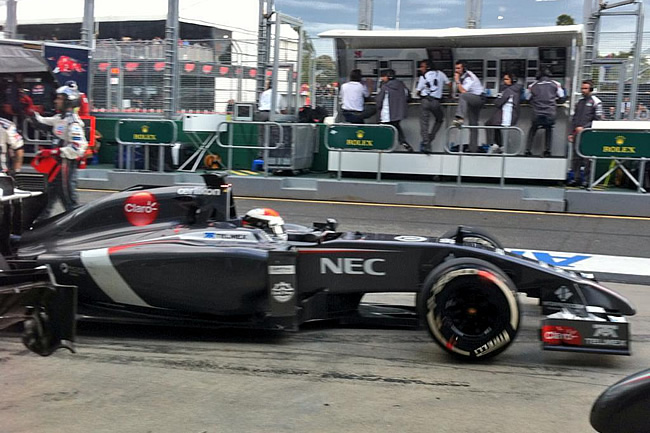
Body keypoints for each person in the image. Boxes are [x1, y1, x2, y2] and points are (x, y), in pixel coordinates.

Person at [33, 84, 88, 218]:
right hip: (56, 166)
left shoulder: (73, 123)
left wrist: (53, 152)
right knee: (47, 199)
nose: (55, 101)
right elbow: (42, 121)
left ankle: (76, 230)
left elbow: (78, 147)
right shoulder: (60, 118)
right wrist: (30, 112)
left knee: (69, 201)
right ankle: (38, 227)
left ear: (69, 101)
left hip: (66, 166)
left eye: (59, 99)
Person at [567, 80, 603, 187]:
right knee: (576, 158)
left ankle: (587, 180)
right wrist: (571, 133)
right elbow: (574, 119)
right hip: (577, 134)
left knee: (587, 159)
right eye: (582, 88)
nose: (583, 90)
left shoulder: (596, 102)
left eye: (585, 88)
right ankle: (576, 178)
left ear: (591, 89)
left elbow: (598, 120)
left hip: (588, 135)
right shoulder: (579, 102)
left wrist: (584, 128)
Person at [524, 69, 565, 157]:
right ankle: (547, 150)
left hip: (537, 113)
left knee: (533, 128)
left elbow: (526, 98)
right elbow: (562, 97)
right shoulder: (556, 84)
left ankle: (528, 150)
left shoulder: (533, 85)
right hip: (550, 113)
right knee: (548, 128)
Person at [416, 60, 450, 153]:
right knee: (439, 119)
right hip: (436, 101)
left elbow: (418, 91)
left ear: (428, 67)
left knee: (424, 124)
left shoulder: (423, 77)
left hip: (425, 101)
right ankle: (431, 137)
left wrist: (419, 94)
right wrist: (450, 94)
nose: (421, 69)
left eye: (422, 67)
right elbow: (449, 83)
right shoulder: (440, 74)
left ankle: (426, 143)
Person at [484, 72, 522, 153]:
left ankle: (493, 145)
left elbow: (498, 103)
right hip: (512, 113)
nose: (505, 81)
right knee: (494, 125)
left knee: (490, 124)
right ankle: (500, 145)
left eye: (507, 79)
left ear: (512, 80)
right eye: (504, 79)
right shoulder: (517, 89)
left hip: (506, 113)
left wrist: (497, 98)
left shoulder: (508, 90)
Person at [375, 69, 413, 152]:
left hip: (386, 113)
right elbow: (408, 96)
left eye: (383, 76)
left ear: (387, 77)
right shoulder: (401, 84)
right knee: (396, 127)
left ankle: (383, 146)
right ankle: (403, 142)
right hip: (398, 113)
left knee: (384, 129)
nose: (382, 78)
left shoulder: (385, 87)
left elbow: (379, 101)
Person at [452, 61, 485, 152]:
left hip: (478, 99)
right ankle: (473, 148)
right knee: (473, 125)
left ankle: (459, 118)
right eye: (456, 68)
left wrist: (457, 81)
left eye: (459, 68)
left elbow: (463, 92)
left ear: (464, 68)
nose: (457, 70)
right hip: (471, 99)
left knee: (463, 96)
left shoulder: (468, 77)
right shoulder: (463, 76)